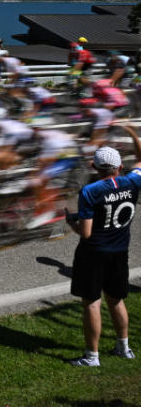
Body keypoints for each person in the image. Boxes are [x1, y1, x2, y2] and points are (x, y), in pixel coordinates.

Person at [65, 127, 141, 367]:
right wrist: (132, 133)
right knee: (116, 300)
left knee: (92, 302)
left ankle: (91, 356)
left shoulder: (90, 191)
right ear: (119, 167)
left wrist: (72, 223)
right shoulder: (132, 182)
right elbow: (140, 160)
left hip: (94, 253)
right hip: (120, 251)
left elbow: (86, 233)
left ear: (95, 168)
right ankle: (124, 347)